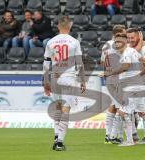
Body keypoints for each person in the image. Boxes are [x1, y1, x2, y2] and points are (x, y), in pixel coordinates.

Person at [43, 16, 86, 151]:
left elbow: (46, 64)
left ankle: (56, 136)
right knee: (66, 109)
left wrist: (46, 81)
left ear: (57, 26)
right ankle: (60, 142)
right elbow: (79, 63)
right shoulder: (74, 42)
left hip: (54, 77)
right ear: (70, 25)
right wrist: (83, 80)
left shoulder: (51, 42)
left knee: (57, 108)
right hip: (68, 77)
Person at [104, 32, 145, 147]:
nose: (117, 43)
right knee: (140, 112)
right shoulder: (131, 50)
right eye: (116, 41)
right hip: (133, 84)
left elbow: (126, 66)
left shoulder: (125, 52)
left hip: (130, 86)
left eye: (119, 41)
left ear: (125, 42)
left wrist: (110, 72)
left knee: (122, 111)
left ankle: (127, 139)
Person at [101, 25, 126, 145]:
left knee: (113, 106)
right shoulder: (118, 44)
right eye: (123, 33)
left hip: (109, 77)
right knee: (121, 107)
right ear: (118, 33)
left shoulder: (105, 44)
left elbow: (102, 62)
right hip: (117, 77)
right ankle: (113, 135)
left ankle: (108, 134)